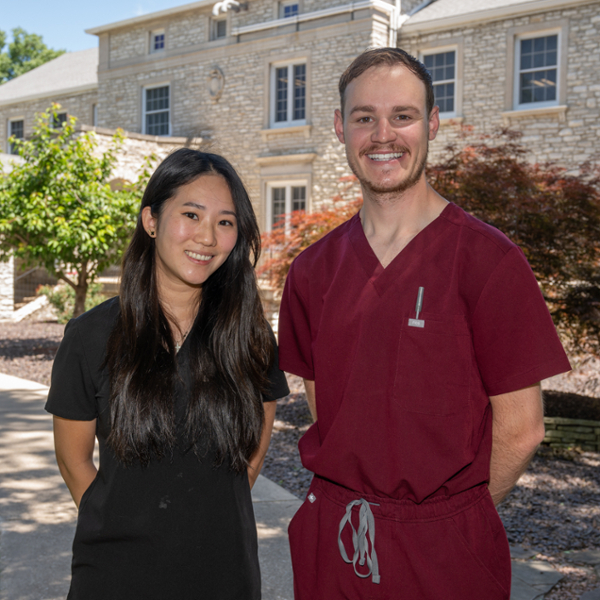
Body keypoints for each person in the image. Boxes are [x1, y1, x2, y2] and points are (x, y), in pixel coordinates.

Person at [278, 48, 571, 600]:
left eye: (403, 116)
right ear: (341, 128)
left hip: (446, 547)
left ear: (432, 123)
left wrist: (449, 518)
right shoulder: (313, 270)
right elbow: (327, 405)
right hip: (335, 537)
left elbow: (522, 428)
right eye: (364, 117)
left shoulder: (487, 260)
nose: (382, 135)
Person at [46, 148, 289, 600]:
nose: (207, 237)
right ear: (151, 220)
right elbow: (72, 460)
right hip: (113, 576)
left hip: (224, 574)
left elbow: (251, 457)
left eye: (225, 221)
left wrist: (201, 521)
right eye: (191, 214)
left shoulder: (250, 338)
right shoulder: (90, 336)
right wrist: (121, 520)